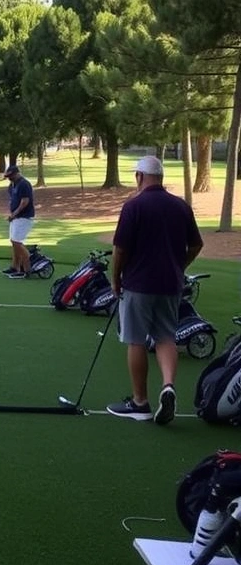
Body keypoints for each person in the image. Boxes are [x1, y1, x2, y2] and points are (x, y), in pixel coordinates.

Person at [106, 156, 203, 424]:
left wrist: (116, 279)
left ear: (139, 176)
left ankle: (140, 402)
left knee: (136, 340)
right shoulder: (181, 206)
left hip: (138, 284)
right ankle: (168, 385)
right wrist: (179, 265)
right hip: (170, 285)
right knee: (165, 337)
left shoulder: (134, 206)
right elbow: (196, 244)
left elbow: (120, 249)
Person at [2, 165, 35, 278]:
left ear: (17, 173)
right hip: (16, 218)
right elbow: (13, 200)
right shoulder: (12, 185)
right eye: (8, 176)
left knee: (17, 242)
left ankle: (26, 269)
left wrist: (14, 214)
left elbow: (24, 202)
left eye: (11, 176)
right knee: (13, 242)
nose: (9, 178)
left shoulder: (24, 184)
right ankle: (15, 267)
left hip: (24, 217)